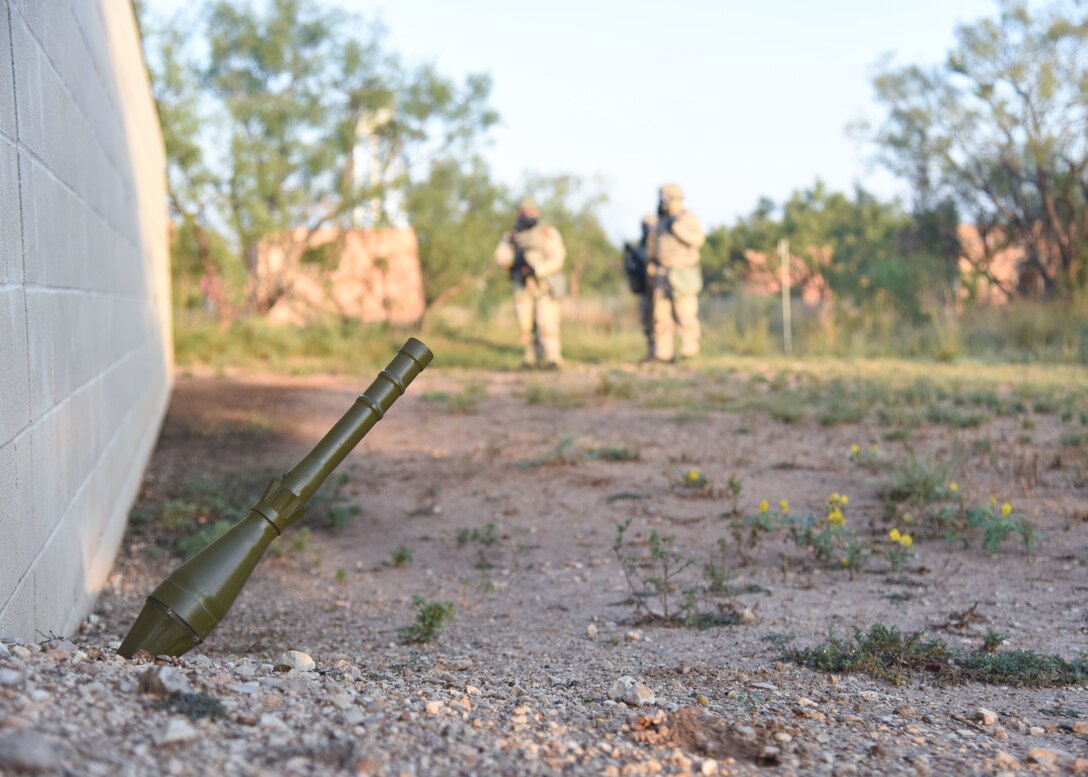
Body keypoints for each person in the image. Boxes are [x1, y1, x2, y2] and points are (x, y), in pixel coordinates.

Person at [494, 197, 567, 369]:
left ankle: (553, 358)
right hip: (523, 284)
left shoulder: (547, 232)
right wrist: (512, 259)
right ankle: (530, 358)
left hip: (544, 284)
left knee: (546, 322)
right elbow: (500, 257)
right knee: (524, 324)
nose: (527, 215)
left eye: (531, 211)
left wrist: (538, 269)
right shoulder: (512, 236)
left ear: (537, 212)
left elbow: (558, 258)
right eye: (524, 212)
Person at [647, 183, 705, 362]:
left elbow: (698, 240)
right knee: (660, 317)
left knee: (685, 315)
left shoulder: (687, 218)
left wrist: (679, 229)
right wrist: (651, 263)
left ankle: (689, 353)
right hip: (662, 274)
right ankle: (663, 354)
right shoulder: (661, 220)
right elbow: (654, 245)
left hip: (682, 273)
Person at [622, 215, 658, 362]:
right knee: (647, 321)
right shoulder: (639, 246)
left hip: (659, 290)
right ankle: (652, 351)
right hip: (645, 290)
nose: (647, 229)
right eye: (645, 225)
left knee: (661, 321)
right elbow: (630, 269)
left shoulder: (659, 244)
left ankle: (663, 352)